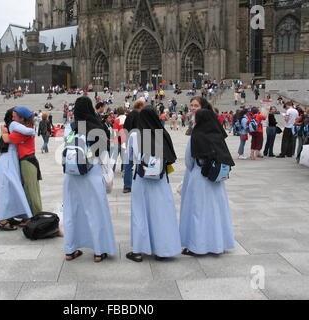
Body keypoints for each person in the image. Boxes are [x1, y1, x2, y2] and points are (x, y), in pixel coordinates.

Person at [62, 96, 117, 263]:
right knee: (95, 211)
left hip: (71, 175)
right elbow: (104, 155)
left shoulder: (69, 128)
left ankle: (70, 250)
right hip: (91, 173)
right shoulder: (97, 127)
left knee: (72, 211)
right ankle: (99, 252)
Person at [126, 107, 181, 262]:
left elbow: (129, 157)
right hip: (160, 180)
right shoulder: (162, 134)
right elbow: (170, 157)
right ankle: (162, 250)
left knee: (140, 213)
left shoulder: (135, 135)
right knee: (161, 213)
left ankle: (138, 251)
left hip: (141, 180)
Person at [180, 106, 235, 256]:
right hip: (216, 178)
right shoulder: (217, 134)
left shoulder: (196, 136)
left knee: (199, 211)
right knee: (217, 211)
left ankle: (198, 246)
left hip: (200, 176)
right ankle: (219, 243)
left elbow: (188, 160)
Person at [0, 108, 35, 231]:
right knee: (7, 189)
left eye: (15, 116)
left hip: (8, 159)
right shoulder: (13, 125)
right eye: (12, 116)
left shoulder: (9, 126)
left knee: (12, 189)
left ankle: (9, 216)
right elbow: (30, 131)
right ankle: (2, 220)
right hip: (8, 160)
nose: (14, 118)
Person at [2, 107, 43, 215]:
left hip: (27, 161)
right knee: (30, 190)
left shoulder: (23, 131)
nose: (13, 118)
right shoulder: (25, 127)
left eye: (15, 116)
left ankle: (37, 217)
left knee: (31, 191)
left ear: (22, 118)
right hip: (29, 160)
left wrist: (3, 131)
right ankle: (33, 216)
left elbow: (7, 139)